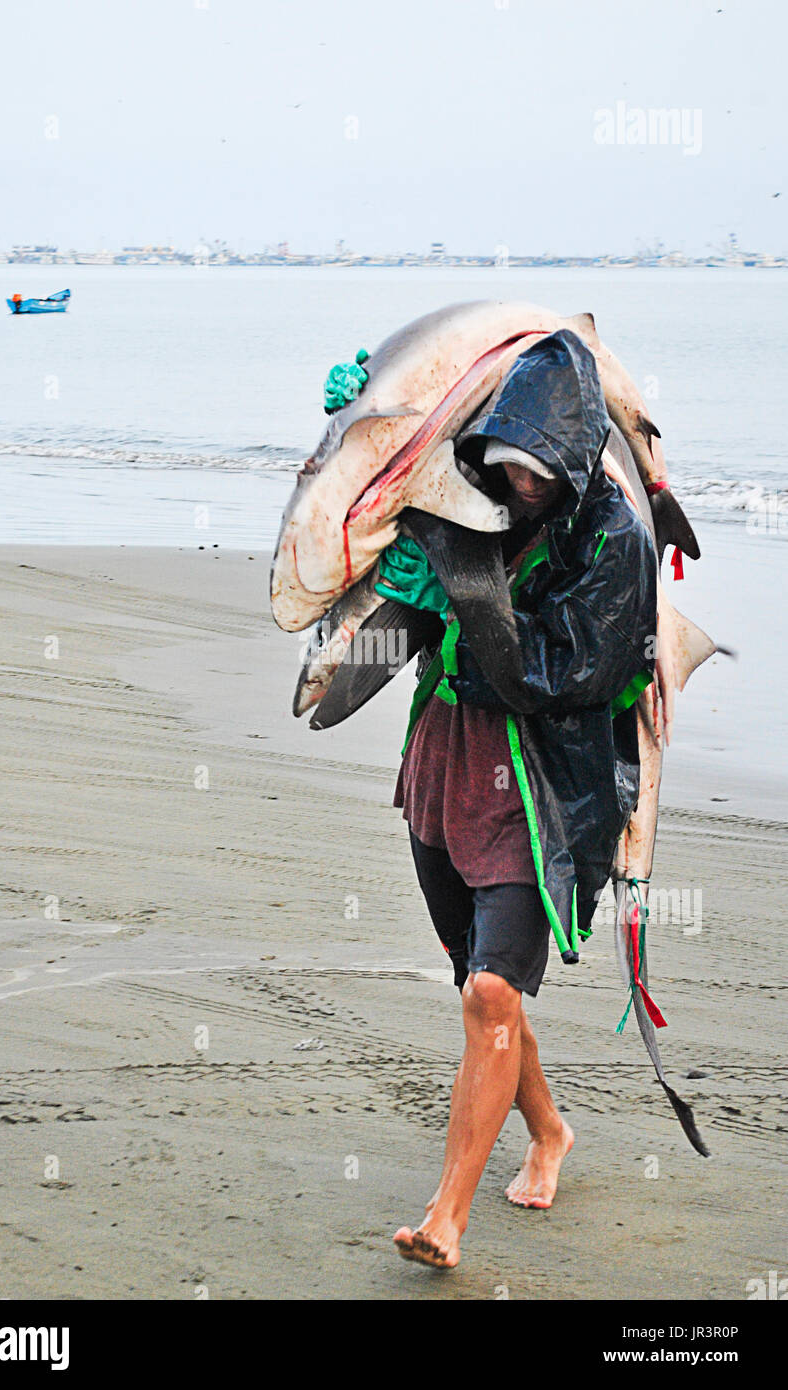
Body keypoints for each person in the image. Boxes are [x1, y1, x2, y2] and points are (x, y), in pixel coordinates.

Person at [324, 330, 657, 1269]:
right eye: (505, 469)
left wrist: (468, 582)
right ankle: (548, 1132)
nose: (520, 489)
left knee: (492, 989)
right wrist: (360, 424)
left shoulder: (614, 541)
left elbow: (552, 676)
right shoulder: (464, 488)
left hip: (545, 786)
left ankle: (446, 1218)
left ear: (575, 459)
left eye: (539, 474)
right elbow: (376, 553)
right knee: (483, 991)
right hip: (446, 768)